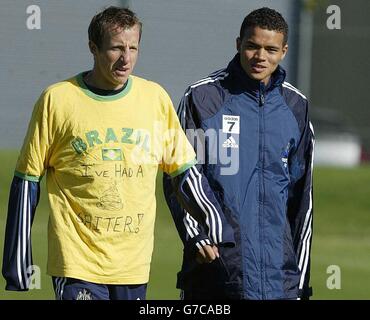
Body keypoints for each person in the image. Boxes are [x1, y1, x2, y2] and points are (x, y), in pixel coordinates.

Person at [2, 6, 235, 300]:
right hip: (77, 263)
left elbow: (184, 173)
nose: (126, 59)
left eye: (133, 48)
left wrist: (217, 229)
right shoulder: (57, 100)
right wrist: (18, 261)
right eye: (116, 48)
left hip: (133, 265)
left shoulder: (154, 98)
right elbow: (26, 182)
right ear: (93, 48)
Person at [164, 7, 314, 300]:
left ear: (284, 51)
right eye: (252, 46)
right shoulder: (202, 98)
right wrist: (197, 236)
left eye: (271, 49)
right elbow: (178, 177)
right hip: (216, 273)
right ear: (238, 44)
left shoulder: (296, 106)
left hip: (278, 280)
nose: (260, 57)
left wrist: (300, 284)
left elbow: (303, 201)